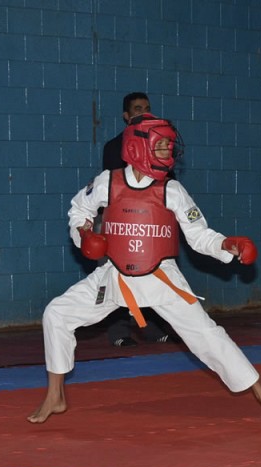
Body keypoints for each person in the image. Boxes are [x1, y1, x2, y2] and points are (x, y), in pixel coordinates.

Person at [28, 113, 261, 426]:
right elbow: (79, 210)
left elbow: (199, 235)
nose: (168, 151)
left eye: (169, 145)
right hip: (114, 276)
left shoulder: (172, 190)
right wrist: (83, 234)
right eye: (162, 145)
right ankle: (55, 394)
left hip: (161, 278)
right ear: (138, 148)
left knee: (207, 336)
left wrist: (226, 246)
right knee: (56, 314)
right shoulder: (107, 182)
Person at [101, 91, 172, 347]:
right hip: (123, 221)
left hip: (150, 221)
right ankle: (119, 332)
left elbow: (166, 185)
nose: (144, 112)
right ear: (126, 116)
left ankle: (152, 327)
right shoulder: (114, 147)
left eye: (147, 108)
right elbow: (114, 187)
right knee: (117, 273)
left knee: (154, 270)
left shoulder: (160, 144)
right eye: (138, 109)